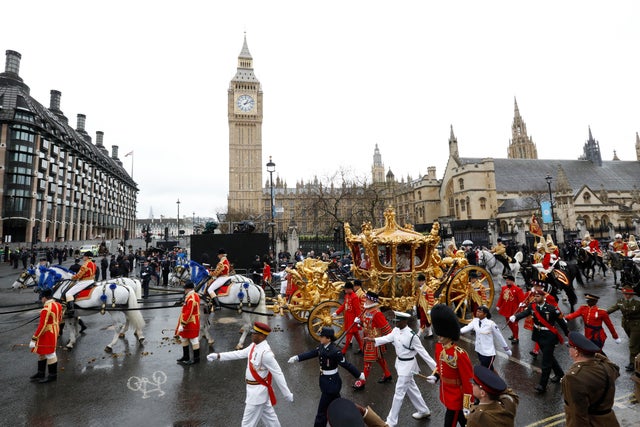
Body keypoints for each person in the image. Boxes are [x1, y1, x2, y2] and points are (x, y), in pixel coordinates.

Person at [207, 322, 294, 427]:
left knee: (247, 424)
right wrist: (218, 356)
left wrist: (286, 394)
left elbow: (278, 373)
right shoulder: (254, 346)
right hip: (255, 391)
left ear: (262, 336)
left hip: (257, 394)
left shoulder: (266, 354)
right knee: (272, 422)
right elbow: (239, 354)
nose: (252, 335)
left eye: (254, 333)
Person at [369, 311, 436, 426]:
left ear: (405, 322)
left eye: (398, 322)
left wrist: (436, 371)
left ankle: (391, 422)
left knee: (399, 393)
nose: (395, 324)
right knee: (411, 388)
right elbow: (388, 338)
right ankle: (424, 410)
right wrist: (374, 340)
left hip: (408, 366)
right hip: (399, 363)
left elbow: (424, 354)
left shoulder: (412, 336)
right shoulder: (396, 330)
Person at [288, 327, 364, 427]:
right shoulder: (322, 347)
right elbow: (312, 353)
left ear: (328, 339)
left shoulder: (335, 352)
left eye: (322, 336)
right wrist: (297, 358)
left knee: (321, 413)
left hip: (331, 385)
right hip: (326, 382)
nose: (320, 338)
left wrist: (358, 375)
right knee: (338, 407)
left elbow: (346, 364)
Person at [510, 289, 569, 393]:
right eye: (535, 296)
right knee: (549, 356)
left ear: (543, 297)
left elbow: (562, 323)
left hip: (549, 336)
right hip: (538, 335)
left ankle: (542, 385)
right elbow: (525, 313)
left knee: (546, 361)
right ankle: (559, 374)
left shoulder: (552, 309)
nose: (536, 298)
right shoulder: (532, 306)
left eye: (538, 296)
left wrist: (569, 334)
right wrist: (515, 317)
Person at [427, 303, 474, 427]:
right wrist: (435, 376)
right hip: (446, 393)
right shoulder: (439, 348)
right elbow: (440, 366)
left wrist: (467, 404)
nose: (439, 336)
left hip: (457, 398)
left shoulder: (459, 354)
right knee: (465, 423)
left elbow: (468, 381)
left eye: (442, 334)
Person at [562, 332, 621, 427]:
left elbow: (578, 416)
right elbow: (615, 368)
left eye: (570, 347)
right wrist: (595, 354)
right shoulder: (607, 367)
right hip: (610, 422)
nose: (569, 350)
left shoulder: (573, 377)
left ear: (576, 352)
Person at [353, 291, 393, 390]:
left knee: (367, 361)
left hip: (374, 340)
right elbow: (366, 324)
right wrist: (360, 323)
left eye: (367, 299)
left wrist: (391, 339)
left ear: (372, 300)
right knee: (379, 358)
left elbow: (386, 328)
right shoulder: (367, 310)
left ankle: (363, 381)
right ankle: (388, 374)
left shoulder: (377, 313)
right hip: (367, 339)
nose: (365, 300)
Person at [460, 306, 511, 371]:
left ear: (485, 314)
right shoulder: (475, 321)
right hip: (479, 351)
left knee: (486, 371)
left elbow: (500, 337)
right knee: (490, 369)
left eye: (480, 312)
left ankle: (491, 380)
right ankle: (497, 380)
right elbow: (466, 328)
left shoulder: (491, 324)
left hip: (488, 353)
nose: (477, 313)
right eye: (477, 311)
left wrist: (507, 350)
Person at [29, 288, 63, 383]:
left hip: (47, 332)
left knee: (50, 353)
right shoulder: (58, 305)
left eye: (41, 298)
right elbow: (60, 319)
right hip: (55, 330)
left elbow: (42, 326)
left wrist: (34, 339)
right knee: (42, 351)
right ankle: (41, 373)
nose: (41, 300)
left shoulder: (46, 309)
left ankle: (52, 375)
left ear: (44, 298)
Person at [606, 286, 640, 371]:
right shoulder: (621, 302)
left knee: (632, 344)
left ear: (632, 295)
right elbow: (611, 309)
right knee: (636, 343)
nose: (627, 296)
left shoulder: (637, 303)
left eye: (629, 294)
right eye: (625, 294)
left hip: (636, 325)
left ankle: (632, 363)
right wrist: (600, 313)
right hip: (626, 325)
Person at [333, 281, 364, 354]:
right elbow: (344, 305)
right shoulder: (347, 295)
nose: (345, 291)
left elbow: (357, 309)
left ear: (350, 289)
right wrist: (337, 312)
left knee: (349, 334)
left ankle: (344, 351)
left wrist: (359, 319)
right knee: (356, 334)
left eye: (346, 289)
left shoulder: (355, 297)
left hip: (353, 318)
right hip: (348, 317)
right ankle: (361, 347)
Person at [175, 280, 201, 365]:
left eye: (185, 289)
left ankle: (196, 358)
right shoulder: (193, 295)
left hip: (190, 322)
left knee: (193, 339)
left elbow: (189, 312)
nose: (184, 290)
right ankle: (186, 356)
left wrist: (182, 324)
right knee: (184, 338)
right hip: (189, 321)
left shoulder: (191, 298)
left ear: (189, 289)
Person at [64, 251, 97, 317]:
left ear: (87, 257)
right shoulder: (93, 264)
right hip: (91, 281)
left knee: (68, 293)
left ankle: (71, 310)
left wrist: (71, 277)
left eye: (84, 256)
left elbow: (78, 275)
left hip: (85, 281)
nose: (83, 258)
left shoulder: (85, 264)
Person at [496, 274, 525, 344]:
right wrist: (498, 305)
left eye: (508, 280)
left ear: (512, 281)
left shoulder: (518, 289)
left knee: (514, 323)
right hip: (506, 308)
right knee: (508, 323)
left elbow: (522, 300)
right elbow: (501, 298)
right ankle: (513, 334)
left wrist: (522, 305)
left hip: (514, 309)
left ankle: (516, 337)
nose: (506, 281)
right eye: (506, 280)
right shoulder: (504, 288)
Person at [415, 273, 435, 339]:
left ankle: (418, 334)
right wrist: (415, 305)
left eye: (421, 281)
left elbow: (431, 300)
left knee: (423, 321)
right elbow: (417, 297)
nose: (419, 282)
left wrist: (429, 309)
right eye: (419, 281)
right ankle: (430, 333)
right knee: (426, 321)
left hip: (425, 308)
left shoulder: (428, 290)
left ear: (423, 281)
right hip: (420, 307)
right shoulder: (418, 289)